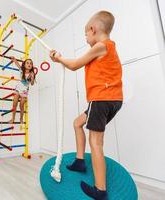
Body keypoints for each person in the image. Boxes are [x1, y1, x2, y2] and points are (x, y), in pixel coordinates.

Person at [50, 11, 123, 200]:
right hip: (111, 100)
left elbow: (74, 65)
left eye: (85, 34)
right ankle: (80, 162)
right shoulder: (109, 47)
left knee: (96, 143)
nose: (85, 38)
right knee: (77, 123)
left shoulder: (101, 46)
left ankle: (100, 190)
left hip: (101, 98)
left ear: (93, 29)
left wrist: (58, 58)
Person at [9, 56, 35, 124]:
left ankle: (21, 118)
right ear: (24, 64)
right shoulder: (22, 71)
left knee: (21, 106)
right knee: (14, 104)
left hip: (24, 91)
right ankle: (13, 118)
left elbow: (32, 84)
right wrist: (14, 59)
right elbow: (17, 64)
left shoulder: (31, 74)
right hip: (18, 89)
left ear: (32, 66)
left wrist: (32, 77)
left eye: (31, 63)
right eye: (27, 63)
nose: (29, 64)